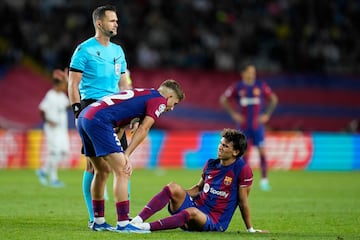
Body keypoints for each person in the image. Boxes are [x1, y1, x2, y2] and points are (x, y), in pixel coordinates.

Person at [76, 79, 185, 232]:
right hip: (99, 120)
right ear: (170, 96)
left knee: (101, 171)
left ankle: (98, 221)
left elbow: (121, 119)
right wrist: (126, 154)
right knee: (122, 171)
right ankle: (123, 223)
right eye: (175, 103)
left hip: (85, 117)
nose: (172, 108)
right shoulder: (160, 100)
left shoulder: (144, 93)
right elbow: (144, 129)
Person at [130, 128, 267, 233]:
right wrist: (177, 195)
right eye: (220, 144)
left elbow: (243, 202)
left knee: (192, 212)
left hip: (214, 220)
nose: (220, 147)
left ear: (235, 152)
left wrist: (250, 229)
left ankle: (144, 228)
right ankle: (135, 221)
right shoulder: (211, 164)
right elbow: (198, 189)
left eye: (225, 146)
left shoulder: (242, 169)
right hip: (196, 208)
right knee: (172, 187)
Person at [67, 5, 131, 228]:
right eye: (112, 20)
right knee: (94, 167)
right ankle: (95, 217)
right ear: (99, 23)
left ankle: (121, 216)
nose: (116, 24)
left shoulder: (118, 51)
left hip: (115, 108)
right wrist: (77, 110)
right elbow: (73, 83)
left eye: (116, 20)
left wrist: (129, 108)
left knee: (121, 164)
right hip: (92, 107)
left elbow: (123, 83)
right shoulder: (84, 50)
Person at [220, 63, 278, 191]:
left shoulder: (261, 86)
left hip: (257, 127)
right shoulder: (238, 87)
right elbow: (223, 99)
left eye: (254, 72)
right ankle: (241, 180)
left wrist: (267, 115)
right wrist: (234, 114)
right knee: (242, 154)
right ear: (243, 73)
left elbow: (274, 99)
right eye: (250, 72)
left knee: (262, 152)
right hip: (243, 127)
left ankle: (264, 180)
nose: (253, 74)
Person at [36, 68, 70, 187]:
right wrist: (48, 121)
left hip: (62, 129)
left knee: (64, 152)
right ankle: (54, 179)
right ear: (58, 84)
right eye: (63, 84)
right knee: (55, 152)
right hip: (52, 128)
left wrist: (69, 83)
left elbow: (70, 105)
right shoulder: (50, 95)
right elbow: (42, 109)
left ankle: (43, 171)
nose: (64, 87)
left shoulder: (61, 96)